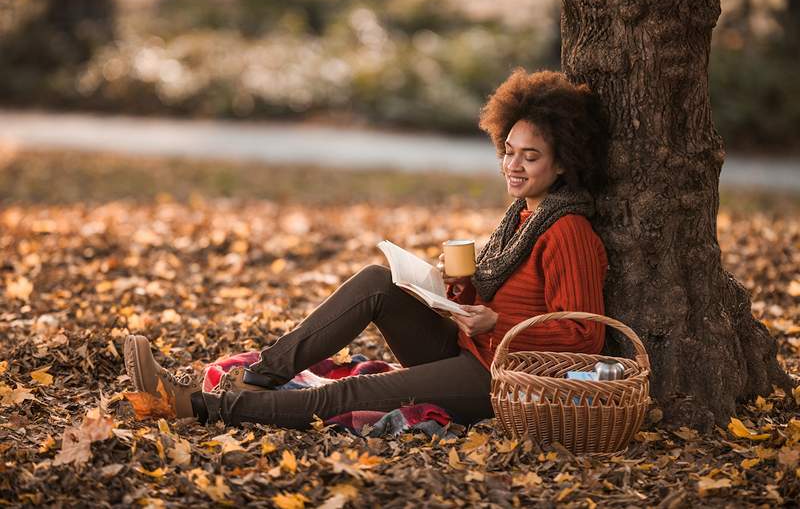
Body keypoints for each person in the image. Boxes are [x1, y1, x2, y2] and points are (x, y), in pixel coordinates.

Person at [123, 68, 610, 427]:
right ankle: (262, 377)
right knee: (378, 282)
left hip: (499, 379)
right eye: (508, 151)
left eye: (531, 156)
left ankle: (198, 406)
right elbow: (497, 301)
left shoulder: (568, 231)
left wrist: (496, 323)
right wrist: (451, 291)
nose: (513, 165)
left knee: (354, 391)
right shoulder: (522, 215)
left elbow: (584, 340)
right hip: (469, 348)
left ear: (563, 162)